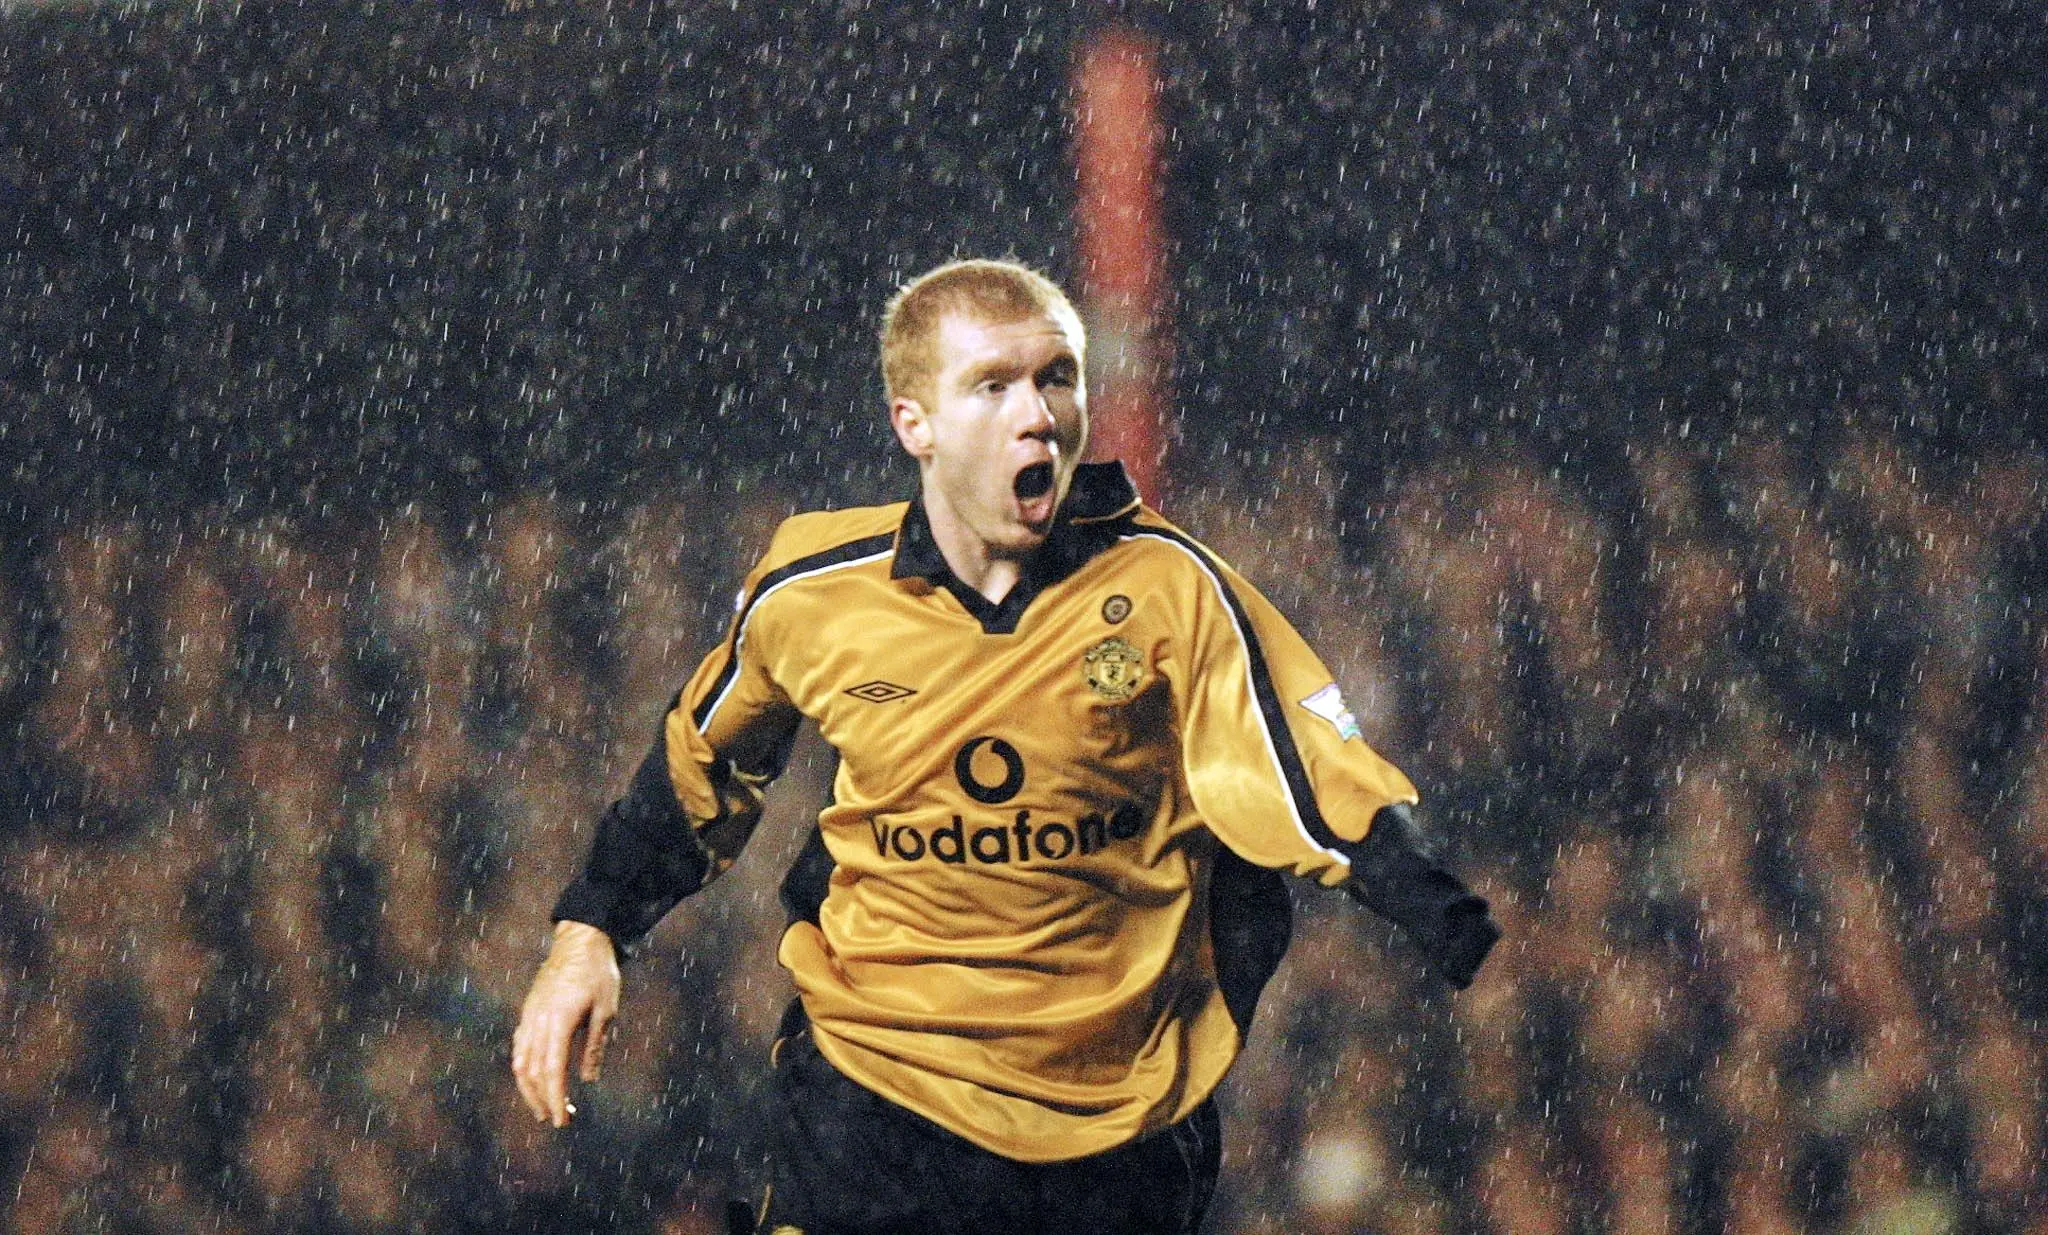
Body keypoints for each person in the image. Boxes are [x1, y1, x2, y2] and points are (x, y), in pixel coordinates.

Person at [511, 258, 1499, 1234]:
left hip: (1112, 1130)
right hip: (873, 1101)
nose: (1037, 411)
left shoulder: (1167, 588)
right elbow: (699, 771)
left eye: (1056, 376)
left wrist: (1430, 900)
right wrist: (589, 931)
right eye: (992, 384)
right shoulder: (811, 591)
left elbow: (1294, 763)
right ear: (915, 424)